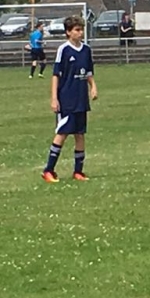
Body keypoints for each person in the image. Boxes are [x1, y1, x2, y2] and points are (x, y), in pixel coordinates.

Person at [41, 16, 97, 183]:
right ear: (68, 32)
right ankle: (48, 170)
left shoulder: (86, 50)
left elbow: (88, 72)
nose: (80, 33)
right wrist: (54, 98)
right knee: (62, 133)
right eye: (77, 30)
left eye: (81, 29)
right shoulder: (63, 50)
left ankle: (78, 171)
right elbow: (56, 75)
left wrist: (93, 86)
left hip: (81, 99)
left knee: (80, 134)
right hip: (67, 99)